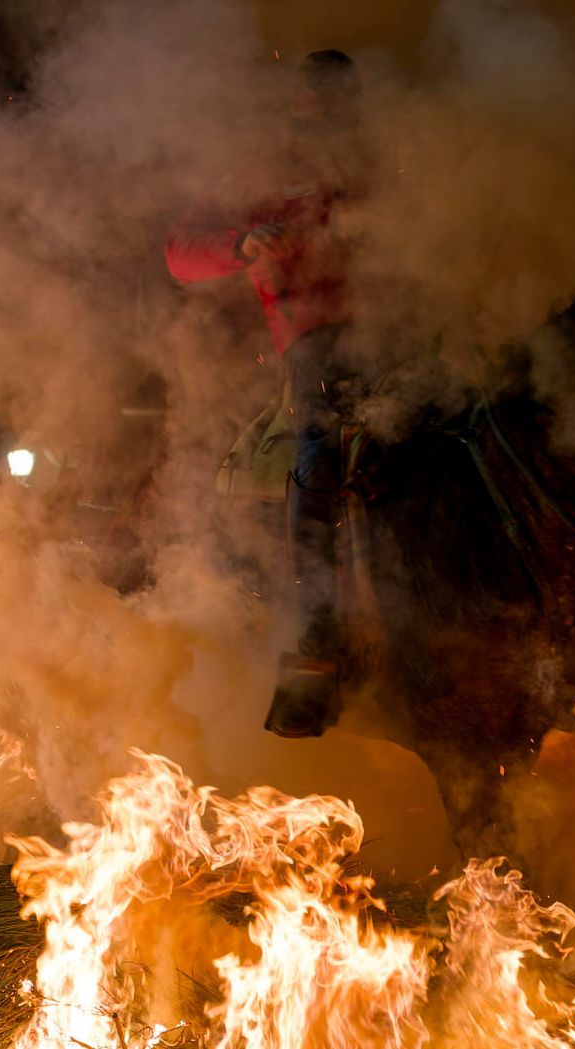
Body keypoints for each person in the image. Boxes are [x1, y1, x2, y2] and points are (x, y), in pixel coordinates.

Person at [164, 49, 368, 733]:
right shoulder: (262, 165)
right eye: (317, 94)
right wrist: (246, 242)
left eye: (339, 94)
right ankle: (317, 639)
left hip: (409, 330)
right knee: (320, 455)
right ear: (300, 99)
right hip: (314, 342)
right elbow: (179, 251)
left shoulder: (386, 156)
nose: (327, 106)